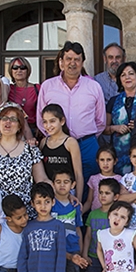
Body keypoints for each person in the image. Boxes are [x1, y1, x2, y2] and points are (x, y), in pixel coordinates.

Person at [37, 41, 106, 191]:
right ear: (61, 62)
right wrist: (57, 140)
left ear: (82, 62)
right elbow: (40, 119)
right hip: (57, 146)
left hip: (86, 144)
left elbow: (100, 121)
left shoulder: (93, 86)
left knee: (89, 185)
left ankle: (84, 214)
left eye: (77, 59)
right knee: (59, 186)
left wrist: (84, 137)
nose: (72, 63)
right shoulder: (48, 86)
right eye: (68, 59)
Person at [0, 105, 50, 218]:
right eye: (4, 118)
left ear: (19, 126)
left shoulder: (30, 150)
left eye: (13, 119)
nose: (8, 122)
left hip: (24, 214)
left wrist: (63, 195)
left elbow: (42, 179)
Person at [77, 178, 120, 272]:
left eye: (107, 193)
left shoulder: (117, 216)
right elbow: (88, 235)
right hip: (94, 258)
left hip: (112, 260)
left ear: (116, 197)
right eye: (100, 192)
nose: (102, 196)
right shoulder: (93, 214)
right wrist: (85, 254)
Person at [51, 169, 88, 272]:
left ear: (73, 185)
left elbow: (78, 229)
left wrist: (79, 250)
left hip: (72, 251)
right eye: (58, 182)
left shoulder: (75, 206)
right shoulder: (50, 204)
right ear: (53, 184)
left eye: (66, 182)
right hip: (53, 252)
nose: (62, 185)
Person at [105, 61, 136, 174]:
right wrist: (115, 128)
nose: (127, 77)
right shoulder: (113, 101)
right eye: (123, 75)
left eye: (131, 73)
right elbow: (104, 128)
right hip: (119, 153)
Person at [39, 103, 84, 200]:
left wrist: (79, 199)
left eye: (52, 121)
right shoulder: (43, 142)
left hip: (67, 193)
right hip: (49, 193)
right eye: (45, 122)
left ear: (62, 121)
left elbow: (78, 174)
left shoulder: (70, 142)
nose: (48, 126)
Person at [83, 145, 123, 213]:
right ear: (97, 161)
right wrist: (80, 213)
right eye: (102, 160)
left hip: (112, 217)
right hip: (96, 216)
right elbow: (89, 201)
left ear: (115, 161)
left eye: (109, 160)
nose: (105, 163)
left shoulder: (120, 179)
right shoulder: (93, 179)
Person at [7, 57, 40, 136]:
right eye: (15, 68)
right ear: (11, 71)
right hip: (13, 131)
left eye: (22, 67)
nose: (19, 70)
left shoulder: (37, 88)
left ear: (27, 70)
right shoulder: (8, 89)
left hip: (34, 130)